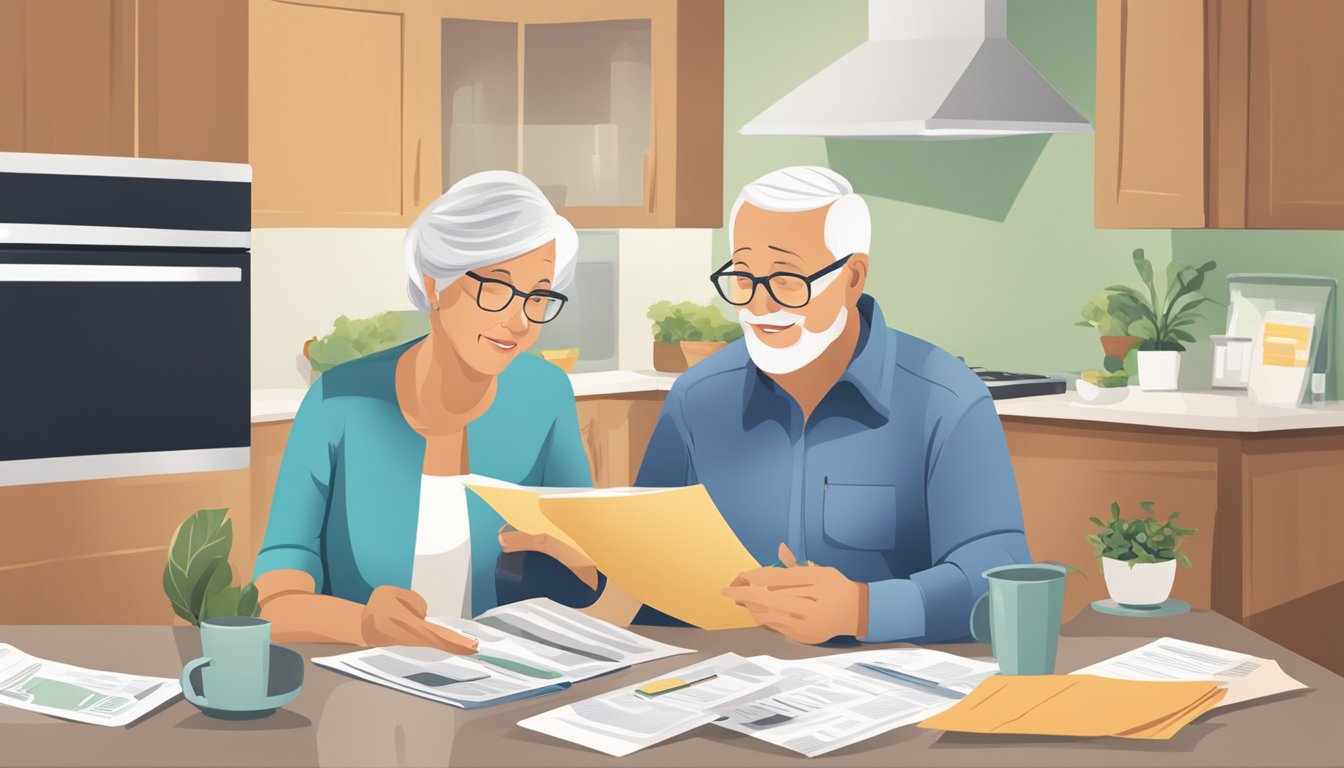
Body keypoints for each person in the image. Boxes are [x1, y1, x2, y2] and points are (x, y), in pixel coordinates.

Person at [633, 166, 1033, 644]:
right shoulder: (697, 398)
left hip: (883, 688)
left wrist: (865, 610)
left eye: (785, 279)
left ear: (851, 278)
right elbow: (645, 553)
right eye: (743, 277)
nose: (759, 307)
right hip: (715, 683)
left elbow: (1000, 577)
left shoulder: (945, 400)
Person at [253, 171, 593, 654]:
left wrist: (577, 561)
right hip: (366, 682)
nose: (519, 320)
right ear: (435, 284)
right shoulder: (338, 402)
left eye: (538, 296)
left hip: (503, 679)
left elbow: (586, 563)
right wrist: (363, 625)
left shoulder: (545, 395)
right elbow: (275, 599)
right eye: (496, 288)